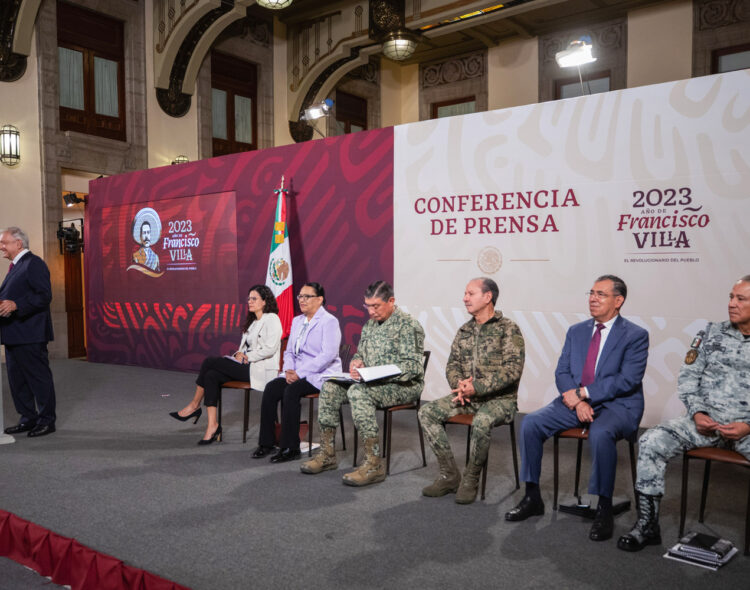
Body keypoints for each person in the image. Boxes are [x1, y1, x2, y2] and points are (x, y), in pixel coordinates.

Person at [505, 275, 649, 543]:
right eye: (591, 293)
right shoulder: (577, 331)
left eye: (601, 294)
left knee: (601, 433)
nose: (593, 299)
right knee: (531, 424)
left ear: (619, 301)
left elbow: (626, 380)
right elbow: (562, 371)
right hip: (576, 401)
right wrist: (578, 400)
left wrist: (585, 394)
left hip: (618, 404)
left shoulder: (635, 335)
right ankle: (532, 496)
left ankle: (604, 508)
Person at [618, 275, 750, 552]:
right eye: (730, 297)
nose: (732, 304)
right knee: (651, 441)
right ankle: (647, 523)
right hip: (705, 424)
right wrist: (698, 412)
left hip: (746, 429)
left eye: (741, 299)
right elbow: (689, 377)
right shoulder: (710, 333)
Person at [300, 280, 425, 486]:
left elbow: (412, 368)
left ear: (391, 301)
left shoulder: (408, 325)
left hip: (402, 386)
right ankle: (327, 454)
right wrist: (357, 361)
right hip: (371, 381)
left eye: (376, 306)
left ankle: (374, 464)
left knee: (359, 394)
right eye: (367, 306)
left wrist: (379, 374)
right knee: (330, 388)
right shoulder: (370, 325)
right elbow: (361, 352)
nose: (371, 312)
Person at [419, 277, 525, 504]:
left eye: (470, 293)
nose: (464, 298)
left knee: (482, 421)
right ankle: (449, 474)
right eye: (465, 293)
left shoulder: (508, 329)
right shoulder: (464, 330)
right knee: (426, 412)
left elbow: (513, 370)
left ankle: (471, 478)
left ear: (488, 297)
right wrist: (460, 384)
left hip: (500, 400)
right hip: (467, 396)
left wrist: (476, 387)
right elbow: (452, 364)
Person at [170, 284, 282, 445]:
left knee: (209, 362)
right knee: (211, 376)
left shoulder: (272, 318)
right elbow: (242, 349)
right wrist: (238, 354)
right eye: (249, 298)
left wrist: (246, 356)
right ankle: (212, 425)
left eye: (254, 298)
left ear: (265, 301)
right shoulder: (252, 322)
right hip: (247, 365)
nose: (250, 301)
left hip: (260, 368)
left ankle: (194, 405)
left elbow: (270, 349)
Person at [252, 282, 342, 463]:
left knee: (291, 391)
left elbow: (327, 355)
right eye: (300, 296)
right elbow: (289, 352)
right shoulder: (297, 321)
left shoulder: (329, 321)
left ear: (320, 299)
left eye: (306, 296)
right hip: (296, 371)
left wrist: (299, 373)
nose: (301, 300)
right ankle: (267, 443)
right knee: (271, 388)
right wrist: (289, 370)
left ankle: (290, 447)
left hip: (320, 373)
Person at [0, 227, 57, 438]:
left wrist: (17, 305)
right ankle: (28, 418)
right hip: (13, 334)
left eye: (4, 243)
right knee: (17, 381)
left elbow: (44, 296)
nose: (1, 247)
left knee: (38, 378)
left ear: (19, 244)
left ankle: (46, 421)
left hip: (30, 334)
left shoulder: (34, 264)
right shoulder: (16, 266)